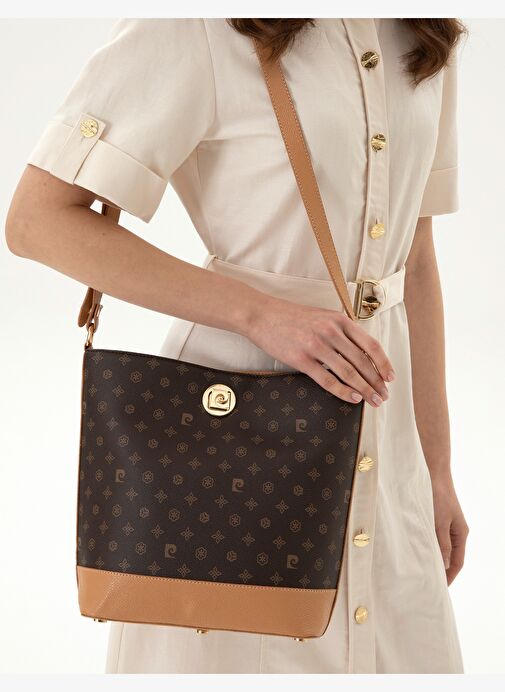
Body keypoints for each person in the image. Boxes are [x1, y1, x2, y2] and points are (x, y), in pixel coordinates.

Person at [5, 17, 469, 674]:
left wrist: (436, 471)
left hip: (389, 446)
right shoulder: (197, 23)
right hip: (233, 434)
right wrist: (260, 314)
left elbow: (414, 259)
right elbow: (36, 220)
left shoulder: (423, 32)